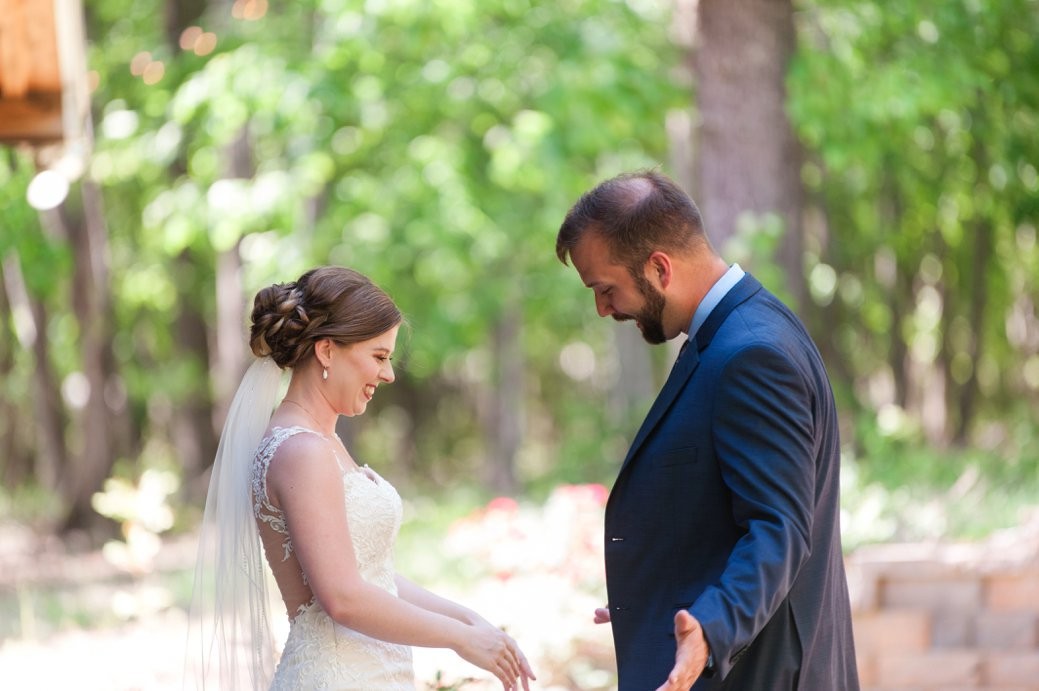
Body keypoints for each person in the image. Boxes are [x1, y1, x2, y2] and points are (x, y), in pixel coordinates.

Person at [555, 170, 859, 690]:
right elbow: (723, 504)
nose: (603, 308)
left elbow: (778, 527)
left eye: (606, 289)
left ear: (658, 267)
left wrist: (712, 629)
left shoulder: (752, 354)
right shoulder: (740, 334)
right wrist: (651, 586)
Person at [188, 266, 536, 690]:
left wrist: (469, 619)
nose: (388, 375)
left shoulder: (320, 441)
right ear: (327, 351)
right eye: (378, 356)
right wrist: (459, 639)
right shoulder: (302, 450)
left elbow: (374, 576)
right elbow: (343, 597)